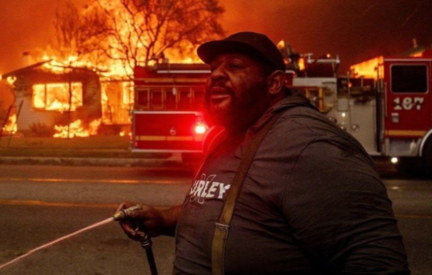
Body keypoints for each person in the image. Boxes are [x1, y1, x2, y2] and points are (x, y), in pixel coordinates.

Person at [116, 32, 409, 274]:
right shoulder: (227, 135)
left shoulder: (309, 145)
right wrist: (164, 219)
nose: (216, 74)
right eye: (214, 68)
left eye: (234, 66)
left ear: (274, 83)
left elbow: (376, 260)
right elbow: (230, 206)